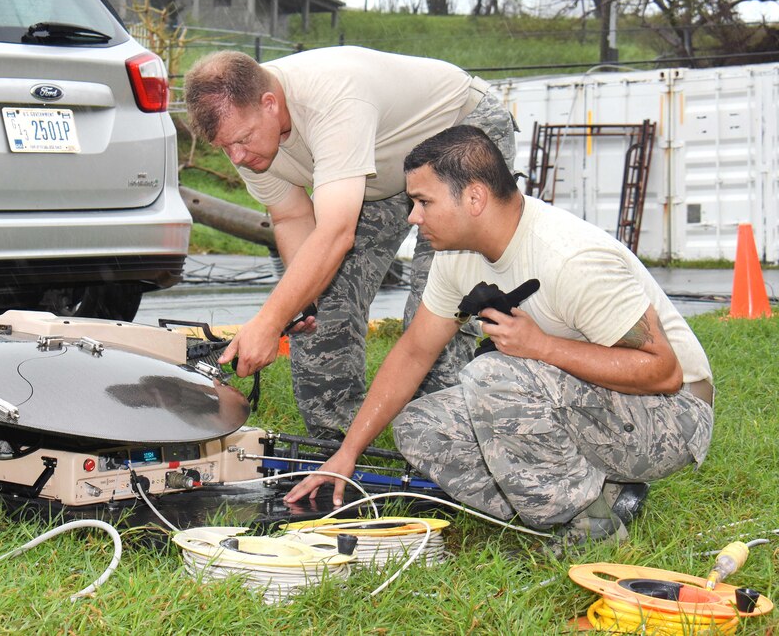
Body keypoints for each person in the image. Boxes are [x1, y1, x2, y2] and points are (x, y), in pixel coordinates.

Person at [284, 125, 714, 544]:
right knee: (420, 425)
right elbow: (414, 352)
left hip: (672, 416)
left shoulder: (571, 257)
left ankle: (588, 526)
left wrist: (542, 347)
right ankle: (596, 498)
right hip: (595, 404)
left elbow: (664, 374)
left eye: (422, 201)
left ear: (474, 197)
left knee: (492, 374)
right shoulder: (456, 255)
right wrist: (347, 454)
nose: (413, 217)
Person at [183, 46, 517, 440]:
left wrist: (269, 322)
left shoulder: (331, 98)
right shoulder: (250, 139)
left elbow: (336, 233)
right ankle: (338, 449)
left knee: (435, 311)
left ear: (270, 103)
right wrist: (300, 304)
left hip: (458, 137)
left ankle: (445, 448)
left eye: (242, 140)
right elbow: (292, 217)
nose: (237, 157)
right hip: (376, 174)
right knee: (318, 314)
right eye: (225, 148)